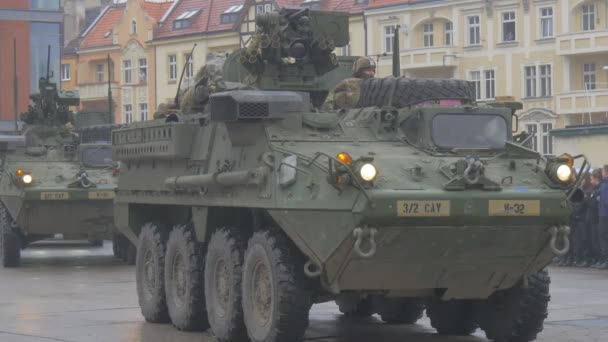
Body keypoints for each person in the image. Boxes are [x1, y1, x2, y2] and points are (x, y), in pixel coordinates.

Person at [589, 169, 604, 268]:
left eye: (592, 179)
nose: (590, 181)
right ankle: (598, 259)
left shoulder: (600, 189)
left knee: (600, 241)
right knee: (595, 241)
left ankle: (601, 259)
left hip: (598, 218)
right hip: (593, 219)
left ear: (596, 178)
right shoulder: (595, 189)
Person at [597, 165, 608, 268]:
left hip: (604, 215)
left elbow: (605, 200)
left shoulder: (605, 185)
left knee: (603, 237)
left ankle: (606, 260)